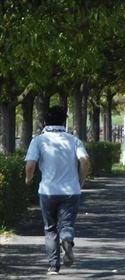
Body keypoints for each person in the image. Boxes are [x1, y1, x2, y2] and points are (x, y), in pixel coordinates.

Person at [24, 106, 89, 275]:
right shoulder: (74, 140)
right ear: (64, 121)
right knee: (67, 225)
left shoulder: (39, 140)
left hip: (47, 191)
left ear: (45, 121)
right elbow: (85, 161)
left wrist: (28, 178)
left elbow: (30, 164)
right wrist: (80, 180)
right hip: (71, 190)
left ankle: (53, 266)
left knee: (50, 229)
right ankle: (67, 239)